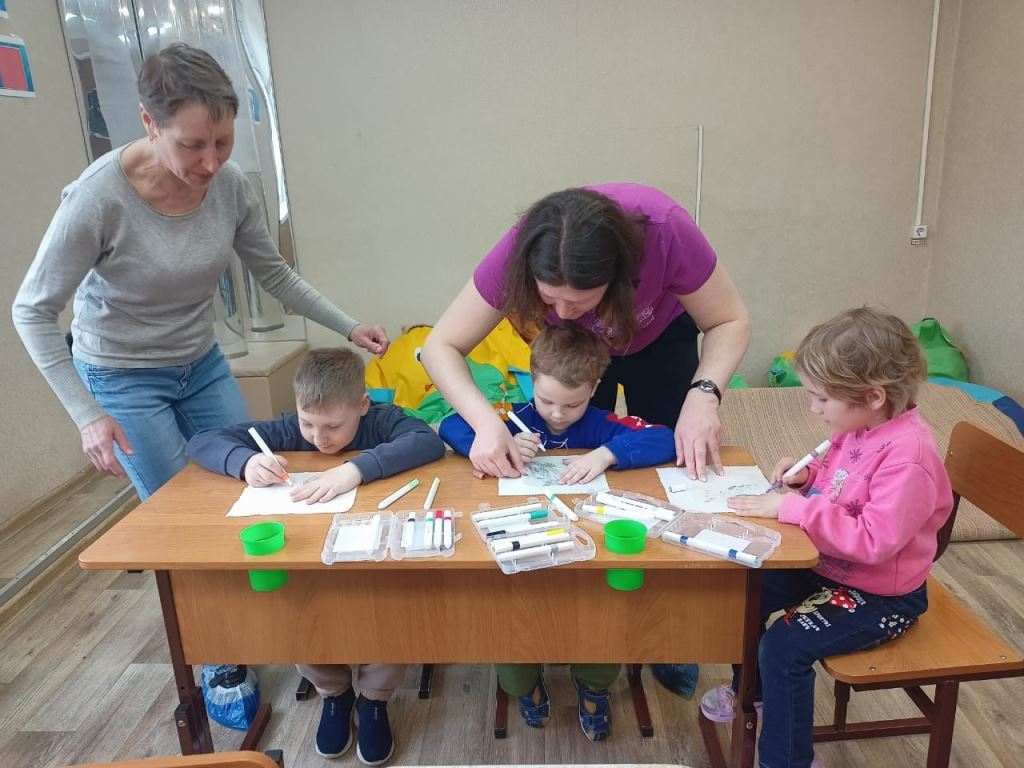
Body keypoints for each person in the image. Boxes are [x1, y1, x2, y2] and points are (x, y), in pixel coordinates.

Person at [12, 43, 389, 501]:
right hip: (122, 374)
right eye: (192, 146)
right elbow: (31, 312)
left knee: (252, 477)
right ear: (150, 122)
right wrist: (86, 415)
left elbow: (275, 275)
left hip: (201, 364)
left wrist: (349, 327)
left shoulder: (229, 187)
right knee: (177, 502)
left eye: (223, 142)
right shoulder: (97, 198)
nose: (211, 163)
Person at [422, 182, 747, 695]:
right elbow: (440, 344)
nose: (565, 311)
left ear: (620, 276)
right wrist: (486, 424)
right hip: (576, 357)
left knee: (672, 468)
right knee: (588, 485)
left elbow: (730, 319)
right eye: (549, 299)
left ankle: (667, 633)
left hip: (661, 341)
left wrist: (704, 395)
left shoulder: (667, 231)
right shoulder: (519, 250)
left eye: (579, 300)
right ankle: (592, 607)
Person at [707, 307, 954, 768]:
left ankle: (787, 760)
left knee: (782, 649)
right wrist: (809, 478)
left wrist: (794, 508)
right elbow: (842, 480)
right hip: (830, 566)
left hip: (881, 595)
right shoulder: (861, 426)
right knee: (745, 592)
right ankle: (754, 694)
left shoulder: (909, 457)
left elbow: (873, 541)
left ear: (874, 396)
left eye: (821, 398)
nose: (813, 408)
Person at [188, 347, 446, 763]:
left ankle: (374, 699)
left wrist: (354, 470)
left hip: (371, 553)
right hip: (308, 555)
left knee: (390, 604)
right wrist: (245, 462)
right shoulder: (291, 429)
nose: (318, 437)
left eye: (332, 426)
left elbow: (427, 441)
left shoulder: (381, 421)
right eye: (308, 423)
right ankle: (334, 693)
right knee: (300, 610)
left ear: (362, 405)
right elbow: (203, 441)